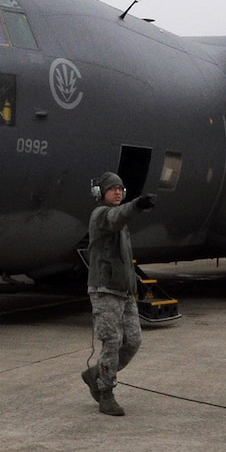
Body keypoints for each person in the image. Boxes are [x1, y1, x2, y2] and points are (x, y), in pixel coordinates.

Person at [81, 172, 154, 416]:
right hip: (105, 290)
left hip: (123, 291)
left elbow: (123, 259)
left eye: (121, 189)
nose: (118, 192)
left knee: (133, 340)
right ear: (102, 193)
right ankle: (105, 393)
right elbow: (117, 216)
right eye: (112, 189)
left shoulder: (122, 227)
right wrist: (136, 205)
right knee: (111, 342)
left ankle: (97, 373)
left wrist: (136, 282)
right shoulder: (101, 216)